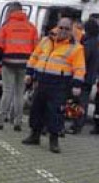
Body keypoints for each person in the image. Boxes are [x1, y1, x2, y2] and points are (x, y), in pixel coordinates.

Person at [23, 17, 85, 153]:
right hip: (41, 81)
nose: (63, 31)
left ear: (71, 30)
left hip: (60, 84)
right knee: (37, 109)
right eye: (61, 27)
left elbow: (79, 68)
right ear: (57, 27)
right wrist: (29, 72)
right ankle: (35, 135)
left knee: (56, 113)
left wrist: (77, 85)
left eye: (67, 29)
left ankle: (54, 140)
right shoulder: (46, 40)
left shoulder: (76, 47)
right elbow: (34, 56)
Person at [0, 2, 38, 132]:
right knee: (19, 94)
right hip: (25, 64)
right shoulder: (32, 27)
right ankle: (17, 122)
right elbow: (36, 49)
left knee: (7, 92)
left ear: (11, 11)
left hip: (9, 63)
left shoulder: (6, 26)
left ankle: (0, 121)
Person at [68, 19, 99, 134]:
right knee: (83, 102)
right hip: (90, 78)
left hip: (83, 77)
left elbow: (82, 60)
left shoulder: (88, 44)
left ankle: (76, 126)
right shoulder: (97, 43)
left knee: (80, 102)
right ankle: (78, 124)